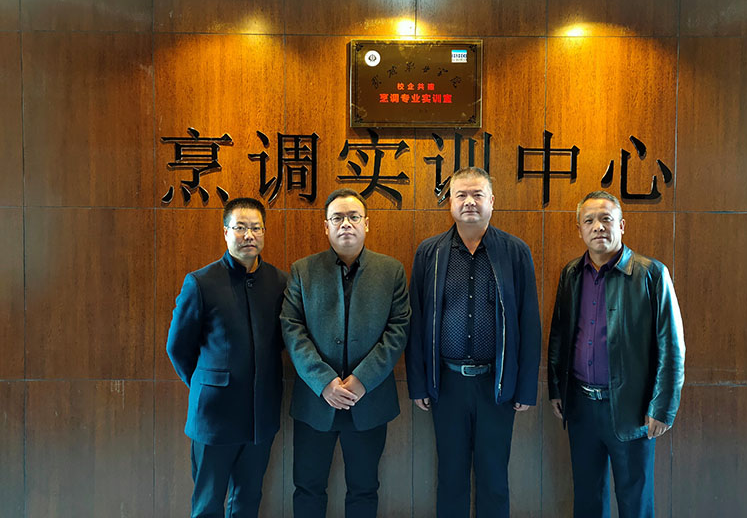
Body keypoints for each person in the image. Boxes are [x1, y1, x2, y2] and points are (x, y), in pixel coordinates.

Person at [405, 166, 541, 518]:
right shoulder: (430, 253)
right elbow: (416, 321)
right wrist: (418, 383)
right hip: (446, 384)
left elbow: (529, 321)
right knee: (450, 478)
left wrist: (526, 388)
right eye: (461, 195)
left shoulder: (515, 252)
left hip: (497, 384)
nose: (469, 202)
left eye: (477, 195)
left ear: (491, 201)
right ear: (449, 202)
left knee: (494, 478)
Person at [548, 191, 685, 518]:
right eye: (589, 221)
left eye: (606, 219)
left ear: (621, 225)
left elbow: (672, 346)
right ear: (579, 229)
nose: (598, 227)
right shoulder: (571, 274)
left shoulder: (651, 274)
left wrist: (662, 407)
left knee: (635, 502)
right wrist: (556, 389)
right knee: (587, 500)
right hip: (581, 407)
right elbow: (560, 336)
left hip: (631, 409)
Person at [280, 188, 411, 518]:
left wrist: (362, 380)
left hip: (369, 401)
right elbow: (292, 329)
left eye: (354, 217)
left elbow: (398, 330)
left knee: (364, 490)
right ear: (326, 226)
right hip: (315, 401)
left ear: (366, 223)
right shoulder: (302, 270)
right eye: (337, 218)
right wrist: (324, 382)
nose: (346, 224)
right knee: (308, 488)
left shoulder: (391, 271)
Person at [166, 197, 287, 518]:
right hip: (214, 415)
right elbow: (178, 347)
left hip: (260, 414)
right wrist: (205, 383)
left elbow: (282, 341)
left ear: (264, 232)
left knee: (248, 500)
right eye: (240, 227)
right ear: (225, 232)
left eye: (256, 228)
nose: (249, 235)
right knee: (208, 503)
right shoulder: (201, 282)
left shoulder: (279, 282)